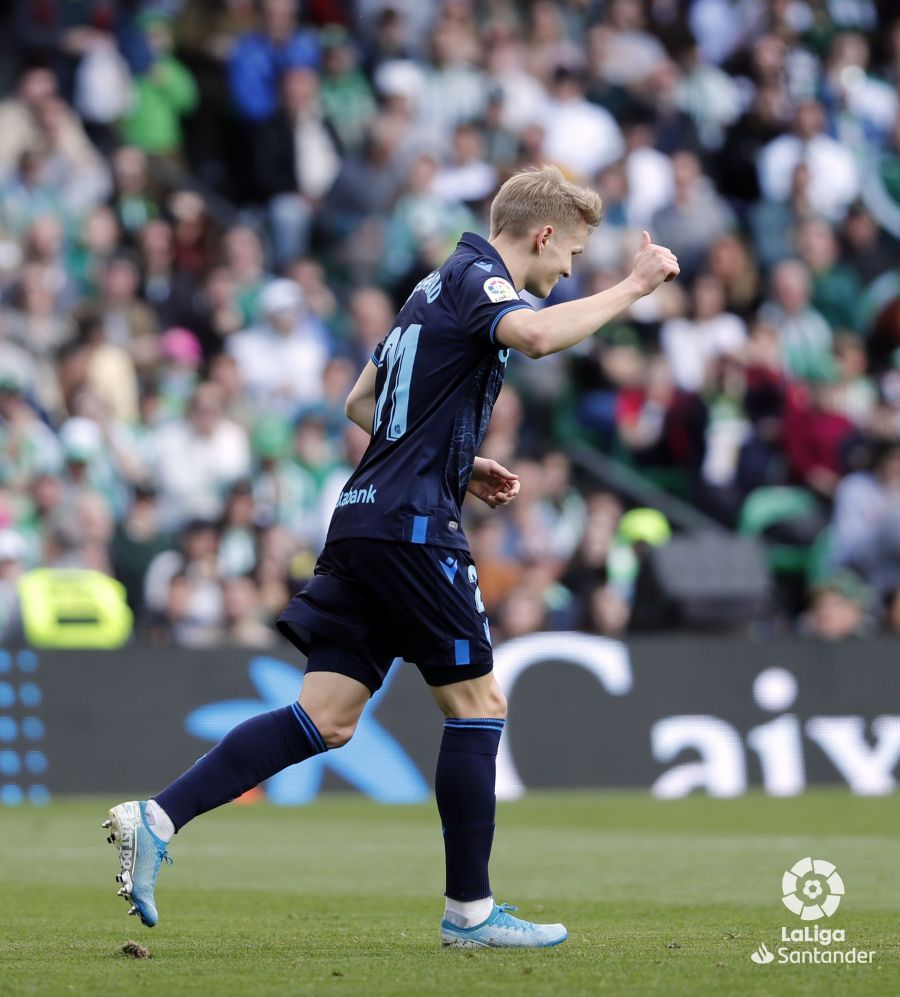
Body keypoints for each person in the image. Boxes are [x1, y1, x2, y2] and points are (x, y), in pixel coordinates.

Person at [102, 165, 678, 947]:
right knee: (478, 705)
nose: (571, 270)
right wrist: (635, 286)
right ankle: (469, 913)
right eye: (572, 253)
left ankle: (158, 816)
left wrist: (454, 461)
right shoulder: (482, 280)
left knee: (326, 716)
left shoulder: (431, 287)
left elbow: (360, 402)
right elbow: (539, 337)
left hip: (363, 517)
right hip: (411, 527)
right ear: (543, 234)